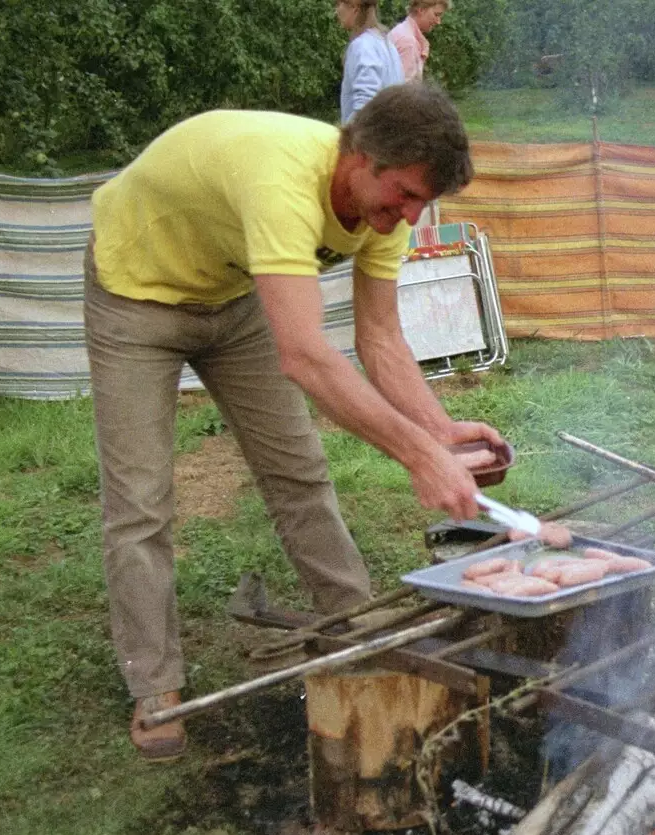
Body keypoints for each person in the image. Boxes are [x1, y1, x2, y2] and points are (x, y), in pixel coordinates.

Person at [83, 83, 504, 761]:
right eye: (400, 195)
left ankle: (358, 628)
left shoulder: (390, 208)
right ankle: (156, 684)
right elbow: (307, 356)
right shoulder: (281, 175)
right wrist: (420, 458)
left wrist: (437, 429)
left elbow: (381, 340)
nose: (407, 216)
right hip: (137, 291)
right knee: (140, 501)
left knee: (299, 472)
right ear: (359, 156)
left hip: (231, 291)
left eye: (421, 202)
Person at [337, 0, 404, 123]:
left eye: (338, 4)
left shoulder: (362, 46)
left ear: (354, 7)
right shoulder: (386, 44)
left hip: (369, 138)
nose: (336, 11)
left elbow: (365, 107)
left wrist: (350, 137)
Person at [389, 0, 450, 83]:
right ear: (421, 9)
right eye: (436, 14)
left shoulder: (401, 31)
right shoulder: (408, 42)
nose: (438, 22)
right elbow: (403, 91)